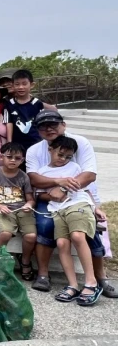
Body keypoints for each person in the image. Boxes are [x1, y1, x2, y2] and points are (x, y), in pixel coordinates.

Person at [26, 110, 114, 299]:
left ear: (63, 125)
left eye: (53, 124)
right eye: (43, 126)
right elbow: (34, 179)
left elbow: (88, 175)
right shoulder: (34, 150)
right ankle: (43, 274)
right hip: (49, 200)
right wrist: (57, 183)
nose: (49, 129)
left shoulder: (80, 143)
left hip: (77, 198)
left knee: (85, 226)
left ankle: (99, 277)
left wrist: (64, 189)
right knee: (45, 224)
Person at [35, 135, 100, 306]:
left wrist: (96, 207)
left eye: (68, 157)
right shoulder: (43, 172)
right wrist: (51, 195)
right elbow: (39, 194)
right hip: (57, 210)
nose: (63, 159)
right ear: (50, 150)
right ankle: (73, 285)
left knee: (78, 236)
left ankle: (91, 282)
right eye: (60, 154)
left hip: (78, 204)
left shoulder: (75, 167)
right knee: (62, 243)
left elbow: (86, 189)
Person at [0, 142, 37, 281]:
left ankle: (25, 261)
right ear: (1, 156)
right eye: (9, 157)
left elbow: (30, 199)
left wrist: (29, 204)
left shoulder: (24, 176)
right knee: (5, 233)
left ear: (22, 160)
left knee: (31, 236)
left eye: (17, 158)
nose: (13, 160)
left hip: (22, 209)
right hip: (3, 209)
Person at [6, 69, 55, 151]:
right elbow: (9, 123)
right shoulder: (9, 104)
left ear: (32, 85)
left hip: (36, 142)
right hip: (17, 145)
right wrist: (9, 142)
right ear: (13, 86)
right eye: (17, 84)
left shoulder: (37, 103)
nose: (21, 87)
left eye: (24, 84)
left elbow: (44, 121)